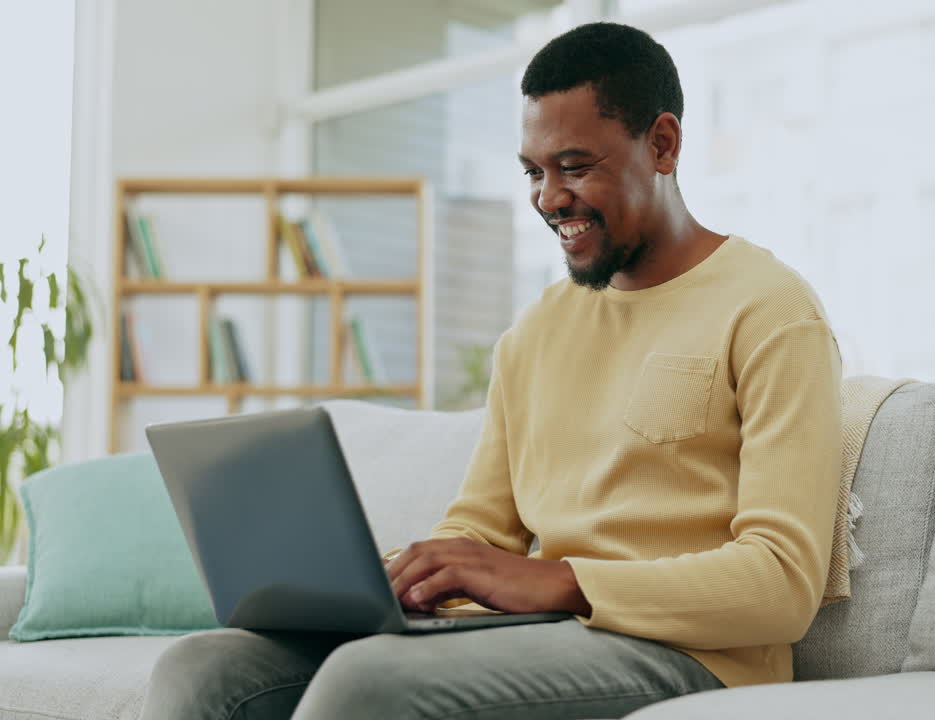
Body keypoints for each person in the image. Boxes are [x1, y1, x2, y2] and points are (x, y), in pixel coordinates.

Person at [141, 21, 843, 720]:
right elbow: (482, 529)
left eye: (575, 167)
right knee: (205, 670)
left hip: (689, 657)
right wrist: (408, 573)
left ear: (662, 144)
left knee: (369, 684)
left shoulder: (770, 311)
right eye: (534, 172)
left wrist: (560, 581)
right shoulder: (537, 331)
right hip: (545, 637)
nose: (548, 198)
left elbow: (782, 582)